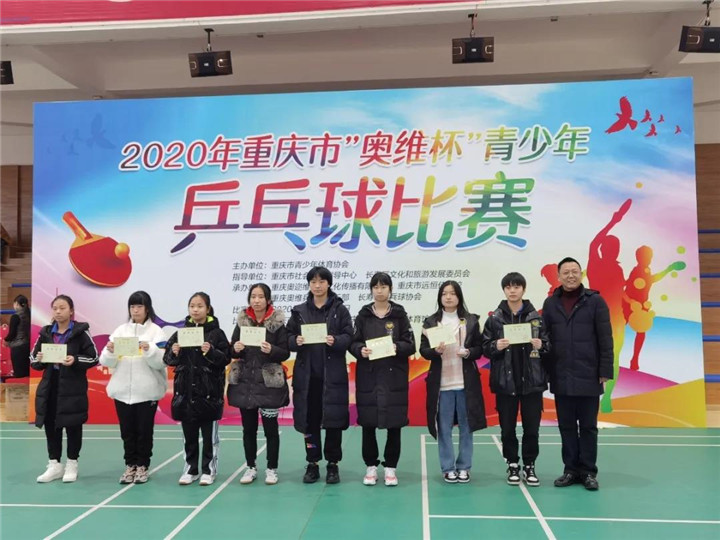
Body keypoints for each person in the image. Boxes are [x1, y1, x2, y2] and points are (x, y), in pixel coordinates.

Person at [542, 257, 613, 491]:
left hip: (589, 373)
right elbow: (545, 339)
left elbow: (605, 339)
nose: (570, 276)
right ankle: (570, 470)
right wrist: (546, 371)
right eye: (566, 272)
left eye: (575, 271)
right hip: (561, 374)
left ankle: (589, 472)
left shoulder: (595, 301)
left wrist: (605, 370)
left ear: (581, 274)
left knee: (589, 427)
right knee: (566, 426)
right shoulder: (551, 303)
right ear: (559, 277)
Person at [482, 272, 549, 487]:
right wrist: (496, 346)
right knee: (507, 428)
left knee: (532, 429)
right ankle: (512, 463)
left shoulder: (537, 318)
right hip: (505, 383)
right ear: (504, 290)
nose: (512, 290)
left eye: (517, 286)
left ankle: (530, 465)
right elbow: (485, 347)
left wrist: (542, 345)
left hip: (532, 382)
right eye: (508, 287)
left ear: (523, 289)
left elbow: (550, 345)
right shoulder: (495, 318)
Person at [287, 266, 352, 485]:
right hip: (308, 379)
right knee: (310, 423)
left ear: (329, 284)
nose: (317, 285)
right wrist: (294, 341)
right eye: (313, 282)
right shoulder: (299, 311)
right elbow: (287, 337)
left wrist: (337, 341)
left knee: (333, 422)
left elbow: (349, 336)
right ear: (309, 284)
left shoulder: (339, 310)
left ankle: (333, 464)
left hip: (332, 378)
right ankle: (312, 463)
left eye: (321, 281)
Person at [349, 272, 415, 487]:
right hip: (368, 376)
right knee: (368, 423)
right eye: (376, 287)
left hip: (394, 377)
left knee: (394, 424)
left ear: (390, 290)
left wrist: (396, 347)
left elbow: (410, 344)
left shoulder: (399, 314)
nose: (379, 291)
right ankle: (370, 466)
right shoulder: (363, 315)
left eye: (383, 287)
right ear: (371, 290)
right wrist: (360, 350)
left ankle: (390, 468)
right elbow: (353, 342)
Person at [419, 281, 486, 484]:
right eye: (444, 294)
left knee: (467, 427)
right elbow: (423, 350)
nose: (448, 297)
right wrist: (435, 351)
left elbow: (480, 348)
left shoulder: (470, 320)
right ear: (440, 297)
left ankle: (464, 466)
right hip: (442, 384)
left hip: (466, 383)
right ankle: (448, 467)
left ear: (459, 297)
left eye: (453, 293)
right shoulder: (431, 322)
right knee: (444, 428)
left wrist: (468, 352)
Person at [99, 291, 167, 485]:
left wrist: (149, 350)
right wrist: (111, 352)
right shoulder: (120, 331)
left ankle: (143, 466)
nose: (135, 310)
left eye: (139, 306)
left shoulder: (156, 332)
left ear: (147, 308)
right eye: (132, 306)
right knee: (127, 431)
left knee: (144, 431)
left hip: (147, 392)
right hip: (122, 391)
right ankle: (130, 465)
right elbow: (106, 361)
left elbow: (161, 362)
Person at [30, 294, 98, 483]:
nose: (58, 312)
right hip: (50, 384)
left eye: (62, 308)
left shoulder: (80, 332)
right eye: (55, 308)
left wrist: (74, 360)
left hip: (72, 386)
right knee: (51, 425)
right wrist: (40, 359)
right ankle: (54, 464)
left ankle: (72, 463)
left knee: (73, 425)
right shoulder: (45, 333)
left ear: (71, 311)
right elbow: (34, 359)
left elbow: (93, 357)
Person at [163, 292, 230, 486]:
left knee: (209, 438)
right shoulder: (181, 333)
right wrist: (174, 352)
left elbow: (226, 359)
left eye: (200, 306)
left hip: (209, 394)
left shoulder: (217, 334)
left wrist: (211, 351)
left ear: (208, 309)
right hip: (185, 394)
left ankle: (209, 470)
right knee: (189, 437)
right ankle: (191, 470)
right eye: (192, 306)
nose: (195, 310)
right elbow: (168, 360)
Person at [228, 283, 289, 486]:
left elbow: (285, 352)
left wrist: (272, 350)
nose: (256, 300)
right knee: (248, 429)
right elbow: (232, 349)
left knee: (271, 430)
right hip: (246, 383)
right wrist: (235, 348)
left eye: (261, 297)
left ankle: (272, 469)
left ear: (268, 300)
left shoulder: (277, 323)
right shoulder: (242, 321)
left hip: (269, 384)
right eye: (253, 296)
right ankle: (251, 467)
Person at [3, 294, 31, 378]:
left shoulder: (15, 316)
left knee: (19, 374)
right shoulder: (29, 315)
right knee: (27, 373)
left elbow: (12, 333)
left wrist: (5, 340)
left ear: (16, 304)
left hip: (18, 347)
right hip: (28, 346)